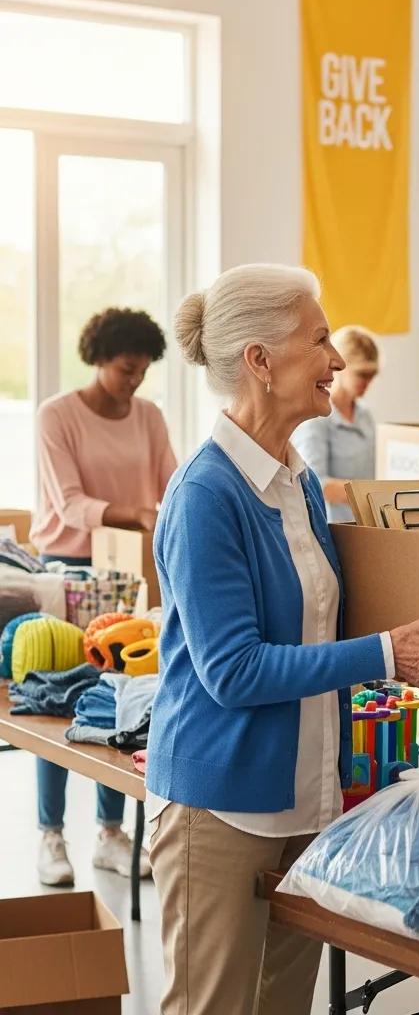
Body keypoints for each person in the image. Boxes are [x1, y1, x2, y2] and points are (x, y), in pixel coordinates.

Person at [146, 264, 419, 1015]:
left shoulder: (295, 481)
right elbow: (233, 671)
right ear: (259, 362)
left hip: (303, 805)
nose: (335, 360)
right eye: (320, 339)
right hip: (221, 811)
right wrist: (389, 655)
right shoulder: (206, 494)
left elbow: (325, 621)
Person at [29, 307, 176, 887]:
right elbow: (68, 505)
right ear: (98, 360)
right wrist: (135, 512)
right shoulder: (56, 415)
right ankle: (50, 835)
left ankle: (111, 834)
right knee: (57, 702)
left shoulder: (149, 416)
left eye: (141, 371)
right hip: (69, 571)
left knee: (123, 699)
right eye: (124, 370)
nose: (133, 381)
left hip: (133, 571)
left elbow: (170, 484)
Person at [292, 325, 379, 522]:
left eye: (372, 375)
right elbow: (312, 484)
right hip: (333, 530)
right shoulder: (316, 418)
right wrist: (372, 494)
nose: (368, 382)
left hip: (365, 526)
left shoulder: (365, 416)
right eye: (362, 374)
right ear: (340, 366)